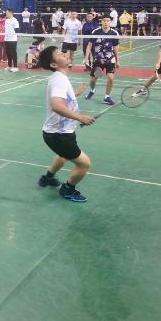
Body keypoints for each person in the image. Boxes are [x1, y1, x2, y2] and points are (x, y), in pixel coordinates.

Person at [36, 45, 94, 203]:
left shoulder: (59, 77)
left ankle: (48, 178)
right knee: (84, 164)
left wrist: (75, 94)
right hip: (59, 135)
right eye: (59, 54)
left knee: (63, 156)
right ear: (53, 64)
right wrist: (80, 117)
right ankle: (68, 189)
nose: (64, 53)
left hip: (59, 132)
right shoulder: (59, 80)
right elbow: (56, 105)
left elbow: (61, 98)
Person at [84, 14, 120, 105]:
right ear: (101, 22)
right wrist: (86, 58)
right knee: (93, 80)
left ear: (110, 22)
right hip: (98, 60)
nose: (106, 22)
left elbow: (115, 48)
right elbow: (89, 45)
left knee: (110, 78)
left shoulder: (114, 33)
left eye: (108, 21)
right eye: (104, 21)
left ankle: (107, 97)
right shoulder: (95, 32)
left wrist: (117, 60)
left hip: (110, 59)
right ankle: (92, 90)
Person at [3, 8, 20, 72]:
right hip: (6, 39)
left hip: (13, 40)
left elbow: (17, 30)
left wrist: (15, 37)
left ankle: (15, 67)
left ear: (11, 13)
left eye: (7, 12)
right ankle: (9, 66)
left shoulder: (15, 20)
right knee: (8, 53)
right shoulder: (6, 20)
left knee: (13, 53)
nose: (6, 14)